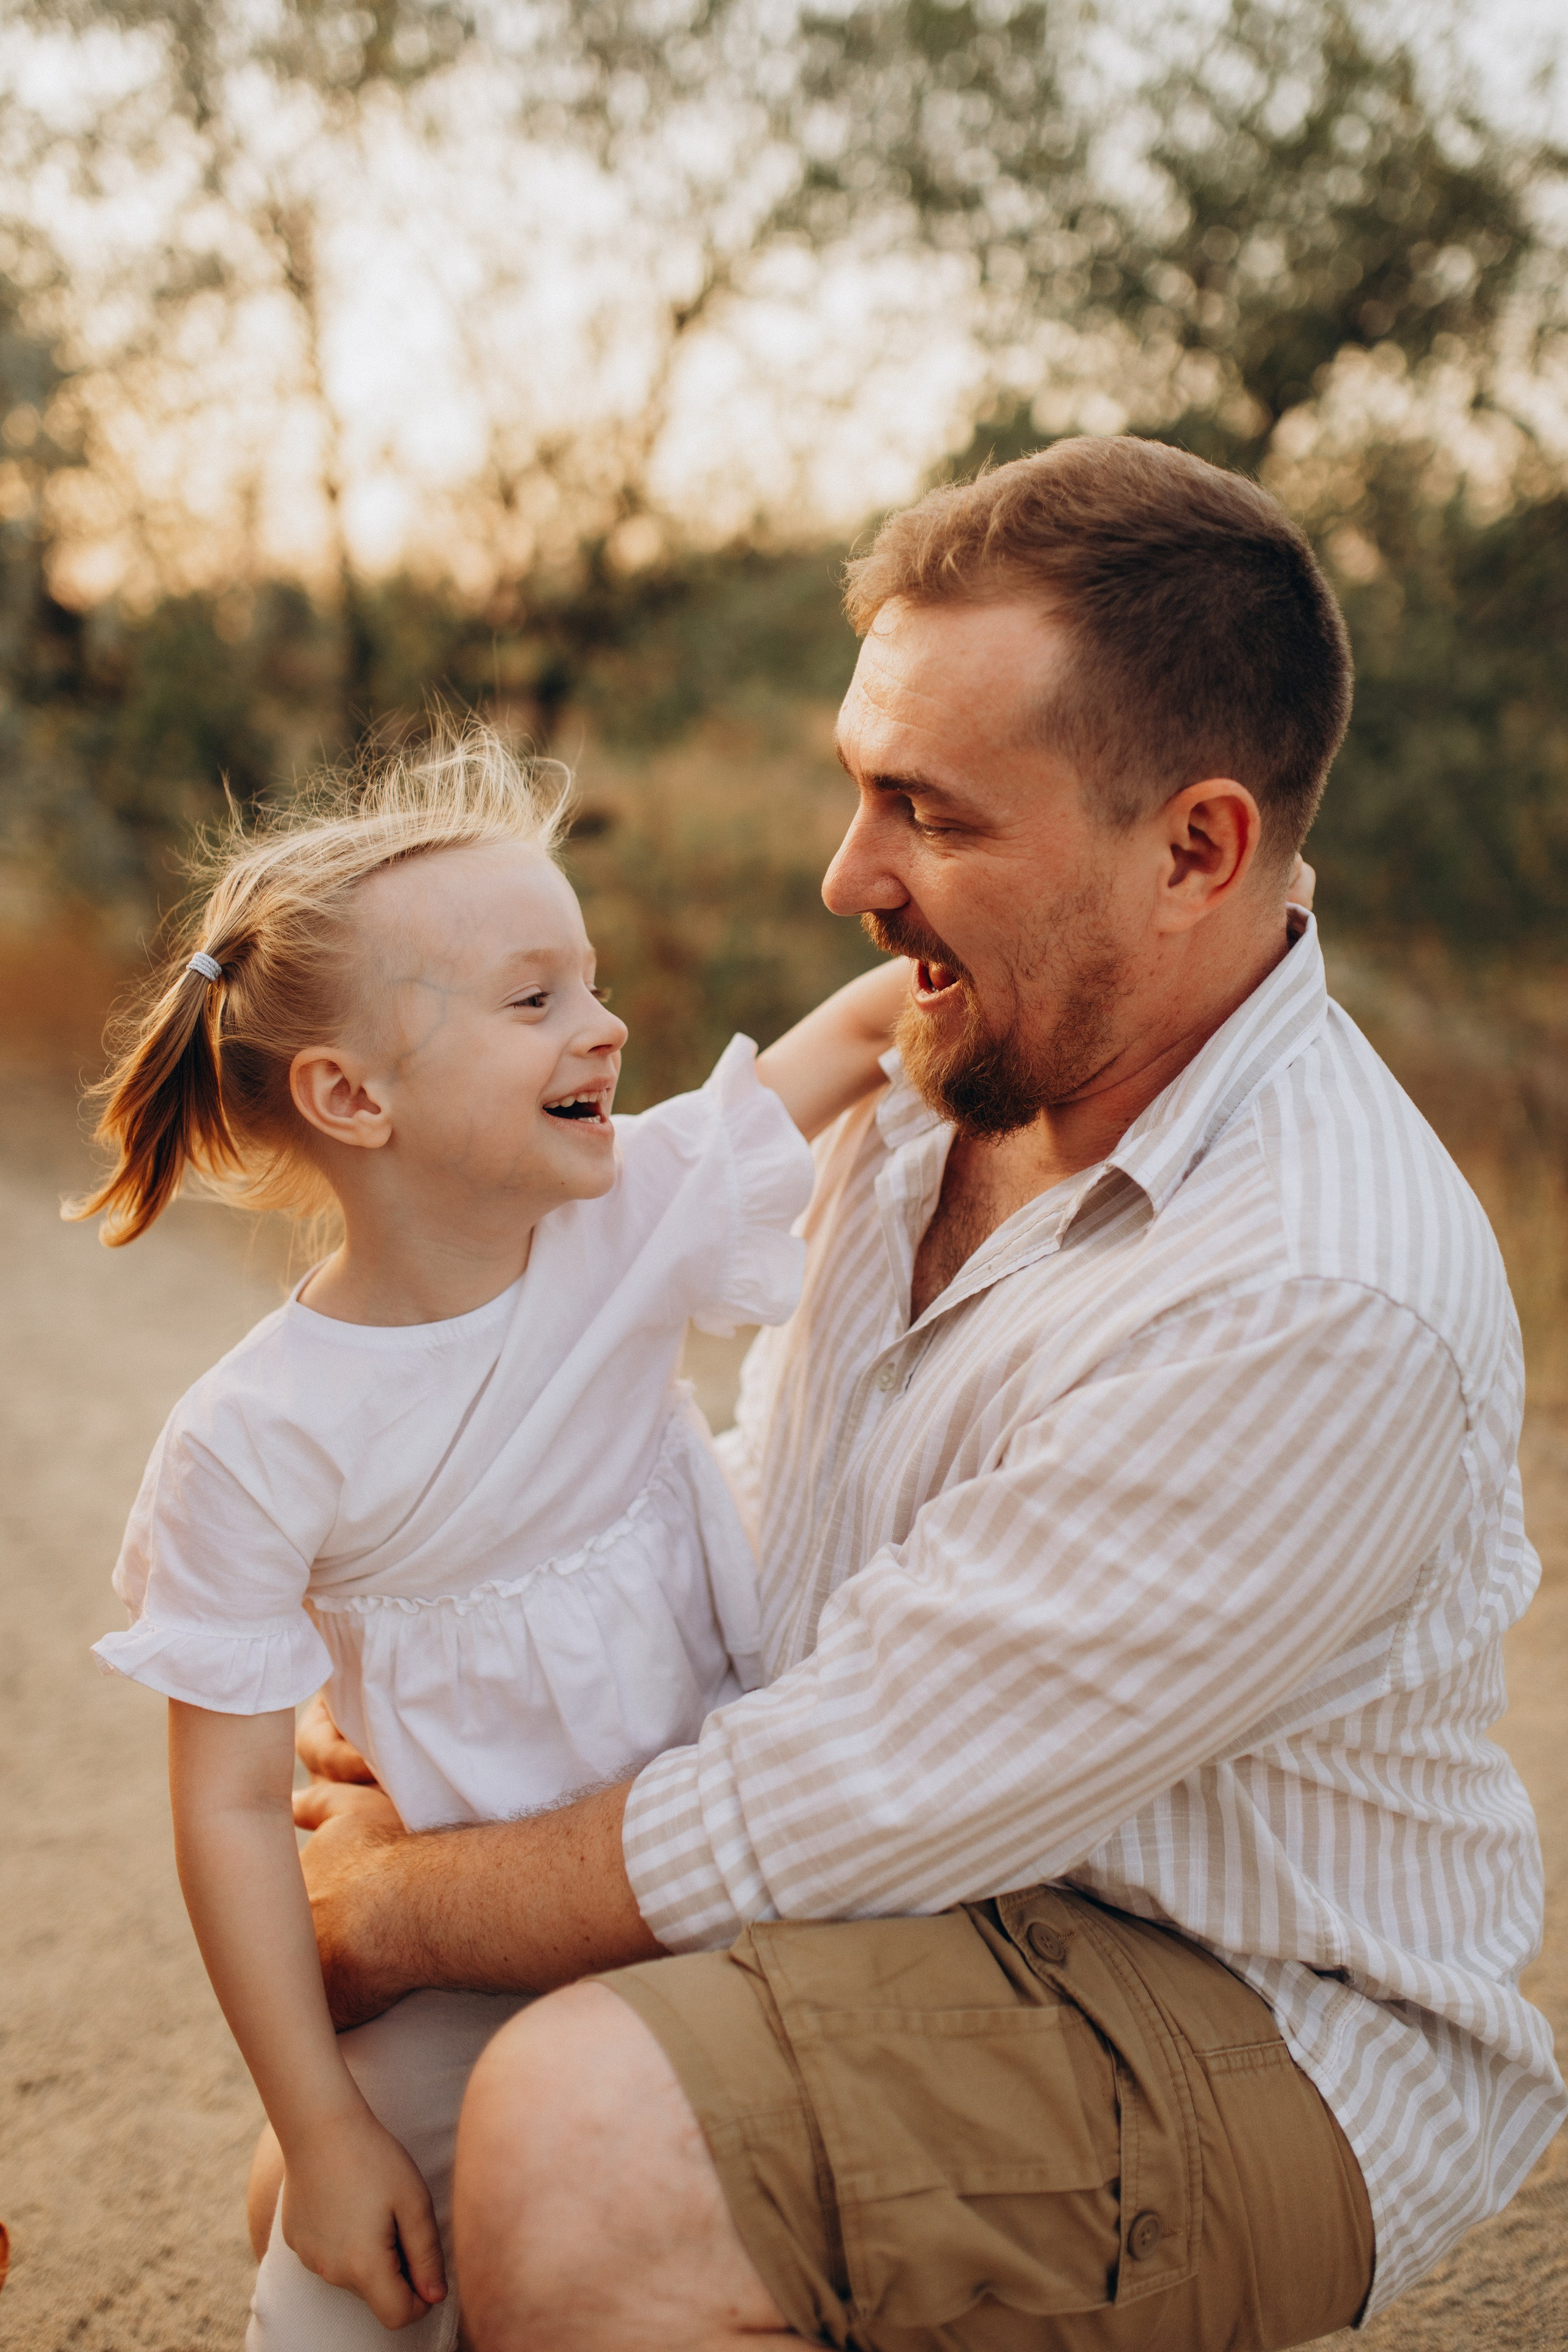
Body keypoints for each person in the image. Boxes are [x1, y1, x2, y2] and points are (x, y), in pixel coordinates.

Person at [291, 438, 1565, 2352]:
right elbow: (777, 1514)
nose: (847, 876)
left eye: (928, 812)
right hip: (936, 1880)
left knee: (574, 2142)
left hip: (1238, 2010)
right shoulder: (947, 1067)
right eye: (853, 785)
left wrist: (386, 1907)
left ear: (1197, 847)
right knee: (363, 2186)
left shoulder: (1317, 1290)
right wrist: (465, 1728)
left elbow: (832, 1799)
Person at [77, 728, 911, 2349]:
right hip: (460, 1942)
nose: (601, 1025)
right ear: (349, 1095)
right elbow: (239, 1811)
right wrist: (322, 2131)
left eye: (589, 985)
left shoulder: (633, 1214)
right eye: (534, 999)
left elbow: (877, 1022)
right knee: (339, 2265)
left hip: (726, 1895)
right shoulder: (255, 1444)